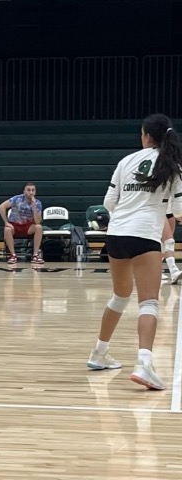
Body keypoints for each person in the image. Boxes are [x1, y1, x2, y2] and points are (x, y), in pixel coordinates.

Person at [86, 113, 182, 391]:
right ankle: (144, 364)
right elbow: (177, 212)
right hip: (144, 237)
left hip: (116, 236)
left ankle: (99, 353)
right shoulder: (173, 166)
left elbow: (108, 202)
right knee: (149, 302)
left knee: (119, 296)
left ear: (146, 135)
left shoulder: (125, 161)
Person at [0, 182, 44, 265]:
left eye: (33, 190)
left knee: (39, 227)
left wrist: (34, 207)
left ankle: (35, 255)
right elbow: (1, 206)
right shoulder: (17, 199)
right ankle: (13, 255)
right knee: (7, 229)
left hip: (28, 226)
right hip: (15, 224)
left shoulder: (38, 203)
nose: (31, 192)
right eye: (29, 190)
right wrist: (6, 222)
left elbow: (38, 221)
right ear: (24, 191)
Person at [161, 198, 181, 284]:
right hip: (157, 208)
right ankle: (174, 271)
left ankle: (156, 269)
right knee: (169, 241)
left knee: (166, 243)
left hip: (170, 208)